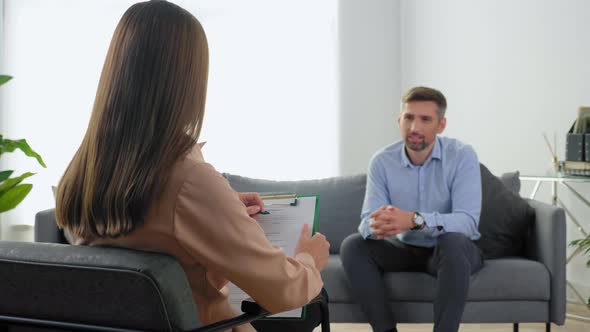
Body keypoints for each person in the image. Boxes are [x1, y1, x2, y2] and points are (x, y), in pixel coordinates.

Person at [54, 1, 329, 331]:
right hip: (197, 326)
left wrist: (219, 209)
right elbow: (286, 290)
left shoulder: (81, 169)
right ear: (189, 80)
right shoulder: (190, 180)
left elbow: (152, 230)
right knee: (312, 303)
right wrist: (309, 258)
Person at [340, 86, 483, 332]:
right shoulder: (382, 161)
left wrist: (416, 220)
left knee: (454, 242)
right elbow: (366, 221)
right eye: (409, 118)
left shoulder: (462, 156)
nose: (414, 128)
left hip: (447, 250)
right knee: (353, 245)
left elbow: (468, 222)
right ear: (399, 120)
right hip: (404, 248)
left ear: (441, 125)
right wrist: (379, 224)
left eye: (425, 119)